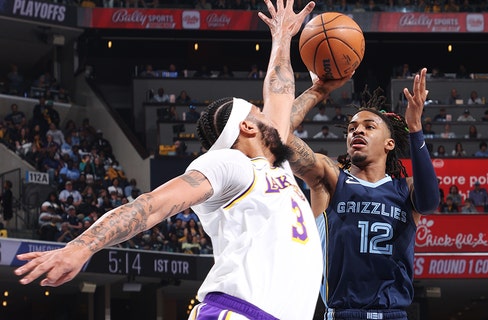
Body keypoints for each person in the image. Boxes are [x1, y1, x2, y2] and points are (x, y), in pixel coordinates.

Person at [16, 3, 323, 320]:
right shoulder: (230, 164)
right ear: (247, 127)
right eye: (258, 114)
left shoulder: (277, 164)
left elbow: (280, 92)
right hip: (239, 312)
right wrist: (82, 247)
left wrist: (285, 39)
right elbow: (152, 205)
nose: (269, 117)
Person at [284, 68, 439, 319]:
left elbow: (431, 202)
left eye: (369, 127)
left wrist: (415, 128)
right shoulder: (331, 179)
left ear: (390, 144)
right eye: (352, 128)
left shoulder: (405, 189)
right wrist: (318, 91)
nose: (357, 131)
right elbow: (277, 135)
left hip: (394, 314)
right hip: (343, 313)